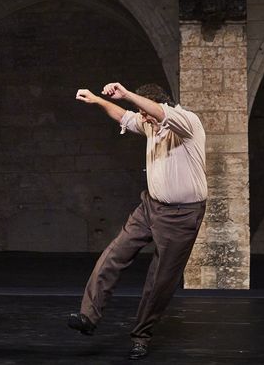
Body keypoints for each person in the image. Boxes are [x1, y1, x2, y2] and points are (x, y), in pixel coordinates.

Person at [68, 82, 207, 360]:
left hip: (181, 216)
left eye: (145, 113)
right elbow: (123, 116)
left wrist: (129, 94)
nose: (143, 120)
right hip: (150, 206)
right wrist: (98, 101)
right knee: (113, 255)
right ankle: (88, 316)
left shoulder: (186, 121)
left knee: (160, 280)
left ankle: (141, 336)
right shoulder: (149, 123)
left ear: (157, 107)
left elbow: (155, 111)